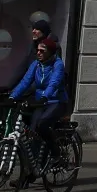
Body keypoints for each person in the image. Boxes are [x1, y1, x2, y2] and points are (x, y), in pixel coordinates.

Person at [11, 37, 70, 166]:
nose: (38, 53)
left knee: (42, 125)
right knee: (33, 134)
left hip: (56, 101)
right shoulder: (36, 64)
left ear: (50, 52)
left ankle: (56, 153)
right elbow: (25, 81)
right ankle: (30, 173)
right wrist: (12, 96)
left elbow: (54, 83)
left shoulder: (57, 64)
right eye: (37, 50)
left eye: (42, 51)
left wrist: (45, 96)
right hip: (41, 102)